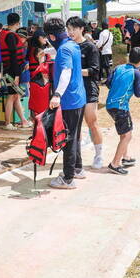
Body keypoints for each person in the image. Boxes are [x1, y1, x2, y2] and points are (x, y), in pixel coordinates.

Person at [44, 17, 86, 189]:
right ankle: (77, 169)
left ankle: (68, 178)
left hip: (69, 101)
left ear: (52, 37)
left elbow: (66, 72)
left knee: (68, 139)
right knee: (74, 135)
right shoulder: (72, 44)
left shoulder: (63, 50)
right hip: (79, 99)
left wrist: (57, 94)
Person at [66, 17, 103, 169]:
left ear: (81, 29)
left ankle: (99, 154)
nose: (70, 32)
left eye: (73, 29)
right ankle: (77, 157)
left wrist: (75, 72)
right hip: (74, 90)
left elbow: (95, 71)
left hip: (88, 89)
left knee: (92, 122)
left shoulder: (90, 47)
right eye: (68, 29)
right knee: (76, 126)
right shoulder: (68, 46)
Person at [105, 47, 140, 174]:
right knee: (127, 136)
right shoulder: (137, 73)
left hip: (110, 105)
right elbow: (139, 93)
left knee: (124, 132)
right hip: (121, 107)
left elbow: (108, 82)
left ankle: (126, 157)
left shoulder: (118, 68)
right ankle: (115, 164)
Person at [0, 13, 30, 130]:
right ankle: (7, 123)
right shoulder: (11, 36)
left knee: (16, 96)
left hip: (8, 69)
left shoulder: (4, 33)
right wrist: (17, 75)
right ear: (17, 23)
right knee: (11, 96)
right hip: (12, 71)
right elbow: (13, 57)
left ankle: (24, 120)